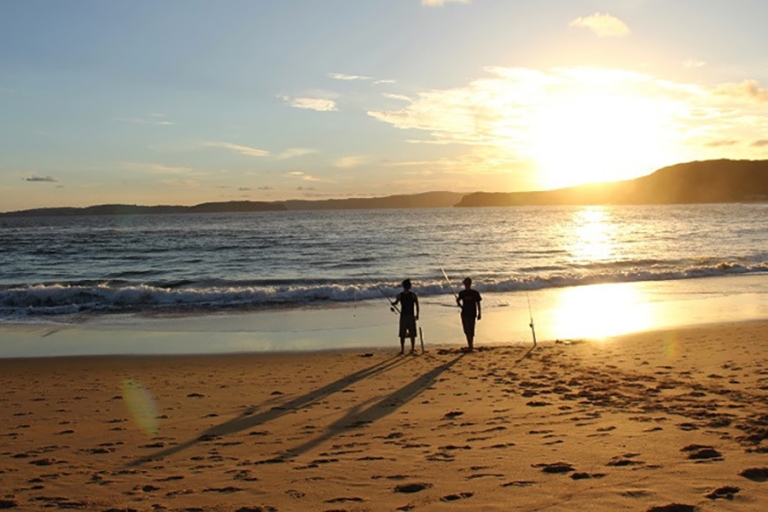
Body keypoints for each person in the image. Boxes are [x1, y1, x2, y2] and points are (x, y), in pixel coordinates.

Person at [392, 279, 420, 354]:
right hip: (410, 316)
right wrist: (417, 315)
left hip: (403, 316)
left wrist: (393, 304)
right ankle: (412, 348)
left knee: (402, 334)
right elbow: (417, 306)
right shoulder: (413, 295)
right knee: (412, 333)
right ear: (409, 286)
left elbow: (395, 303)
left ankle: (402, 350)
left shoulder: (400, 295)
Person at [456, 277, 481, 351]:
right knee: (469, 329)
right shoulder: (467, 293)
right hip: (469, 312)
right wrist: (479, 313)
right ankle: (470, 345)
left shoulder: (466, 293)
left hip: (468, 313)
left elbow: (478, 303)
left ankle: (470, 345)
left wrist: (460, 305)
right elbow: (478, 304)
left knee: (468, 329)